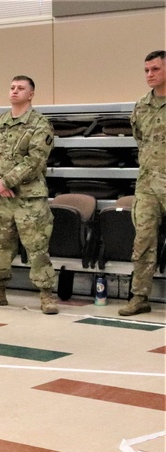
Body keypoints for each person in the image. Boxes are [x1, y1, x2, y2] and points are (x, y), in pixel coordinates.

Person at [0, 76, 58, 315]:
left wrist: (6, 181)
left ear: (31, 94)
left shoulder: (40, 124)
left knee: (37, 246)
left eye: (20, 88)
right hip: (1, 198)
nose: (15, 91)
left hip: (29, 198)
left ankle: (47, 294)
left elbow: (36, 160)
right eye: (12, 87)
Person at [120, 49, 166, 317]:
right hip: (148, 185)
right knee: (143, 242)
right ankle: (139, 297)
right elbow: (140, 138)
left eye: (155, 70)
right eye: (147, 70)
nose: (149, 75)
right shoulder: (141, 106)